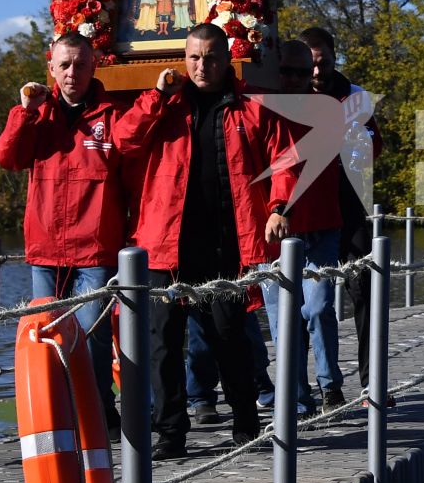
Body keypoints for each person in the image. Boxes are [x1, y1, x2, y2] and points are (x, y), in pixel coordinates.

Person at [116, 24, 299, 459]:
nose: (203, 66)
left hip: (226, 244)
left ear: (226, 58)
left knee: (229, 338)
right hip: (166, 243)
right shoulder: (166, 104)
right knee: (163, 344)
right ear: (185, 58)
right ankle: (170, 434)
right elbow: (123, 140)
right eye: (195, 57)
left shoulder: (252, 106)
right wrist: (156, 97)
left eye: (212, 57)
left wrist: (279, 207)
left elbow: (286, 158)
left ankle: (245, 423)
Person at [0, 32, 125, 431]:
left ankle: (99, 414)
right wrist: (23, 112)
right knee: (47, 338)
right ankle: (60, 417)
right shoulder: (36, 114)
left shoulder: (111, 115)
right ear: (51, 67)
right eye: (64, 65)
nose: (72, 73)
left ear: (93, 67)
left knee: (94, 338)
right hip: (46, 250)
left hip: (95, 250)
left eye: (80, 65)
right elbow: (7, 157)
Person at [297, 26, 379, 400]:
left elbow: (376, 147)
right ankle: (315, 386)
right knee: (310, 301)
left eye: (323, 63)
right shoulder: (292, 92)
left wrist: (354, 146)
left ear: (334, 58)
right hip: (308, 210)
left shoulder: (356, 97)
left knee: (365, 291)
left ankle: (371, 381)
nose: (317, 73)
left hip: (348, 205)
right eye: (311, 65)